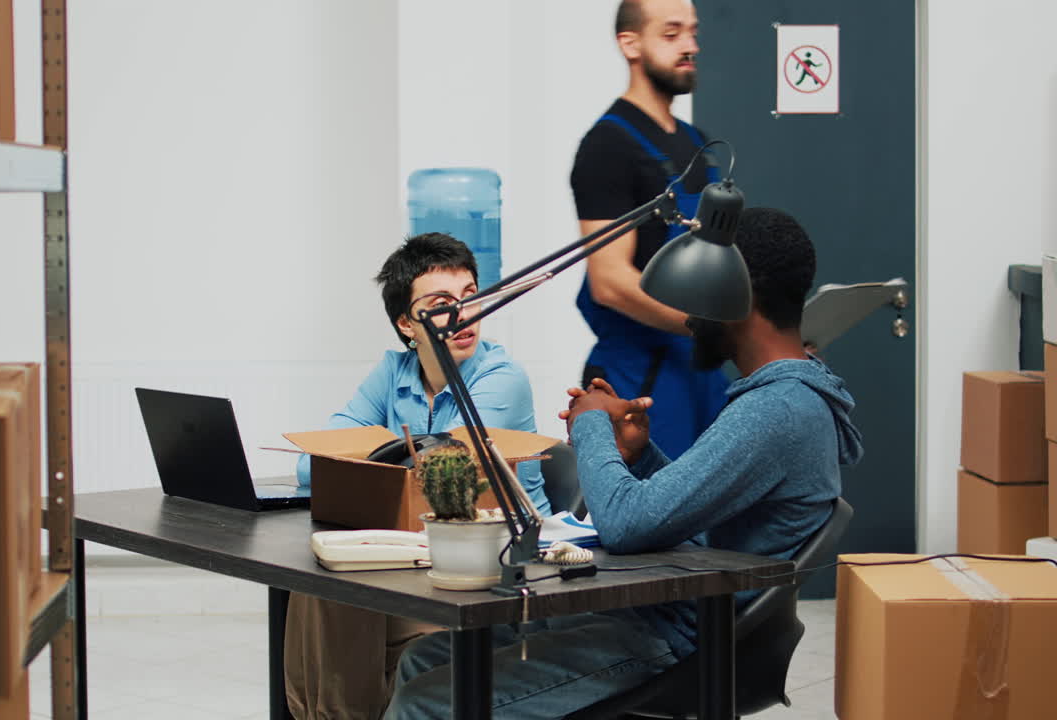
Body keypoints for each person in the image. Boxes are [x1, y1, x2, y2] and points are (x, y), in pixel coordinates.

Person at [383, 208, 863, 719]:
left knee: (424, 702)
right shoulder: (787, 395)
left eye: (699, 296)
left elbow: (628, 524)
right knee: (427, 656)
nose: (687, 315)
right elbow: (694, 513)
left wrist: (591, 423)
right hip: (659, 617)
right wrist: (639, 454)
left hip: (675, 642)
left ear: (737, 298)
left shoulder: (777, 408)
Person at [286, 232, 552, 720]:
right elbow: (312, 465)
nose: (464, 314)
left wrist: (375, 459)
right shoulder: (393, 371)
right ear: (407, 324)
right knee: (318, 585)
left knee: (341, 599)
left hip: (495, 566)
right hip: (418, 553)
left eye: (471, 297)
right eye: (442, 303)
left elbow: (443, 478)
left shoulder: (501, 377)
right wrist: (398, 462)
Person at [570, 0, 728, 459]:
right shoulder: (608, 146)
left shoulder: (698, 144)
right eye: (672, 33)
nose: (690, 46)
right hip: (643, 381)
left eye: (693, 33)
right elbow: (610, 282)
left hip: (704, 373)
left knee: (714, 519)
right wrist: (709, 329)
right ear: (630, 43)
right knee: (650, 521)